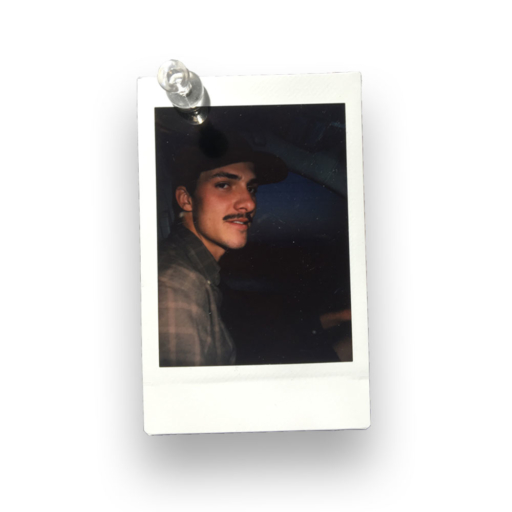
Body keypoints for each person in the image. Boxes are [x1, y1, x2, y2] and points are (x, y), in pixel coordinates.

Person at [158, 131, 288, 366]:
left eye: (251, 188)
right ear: (186, 199)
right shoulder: (176, 288)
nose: (249, 203)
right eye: (224, 185)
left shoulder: (202, 271)